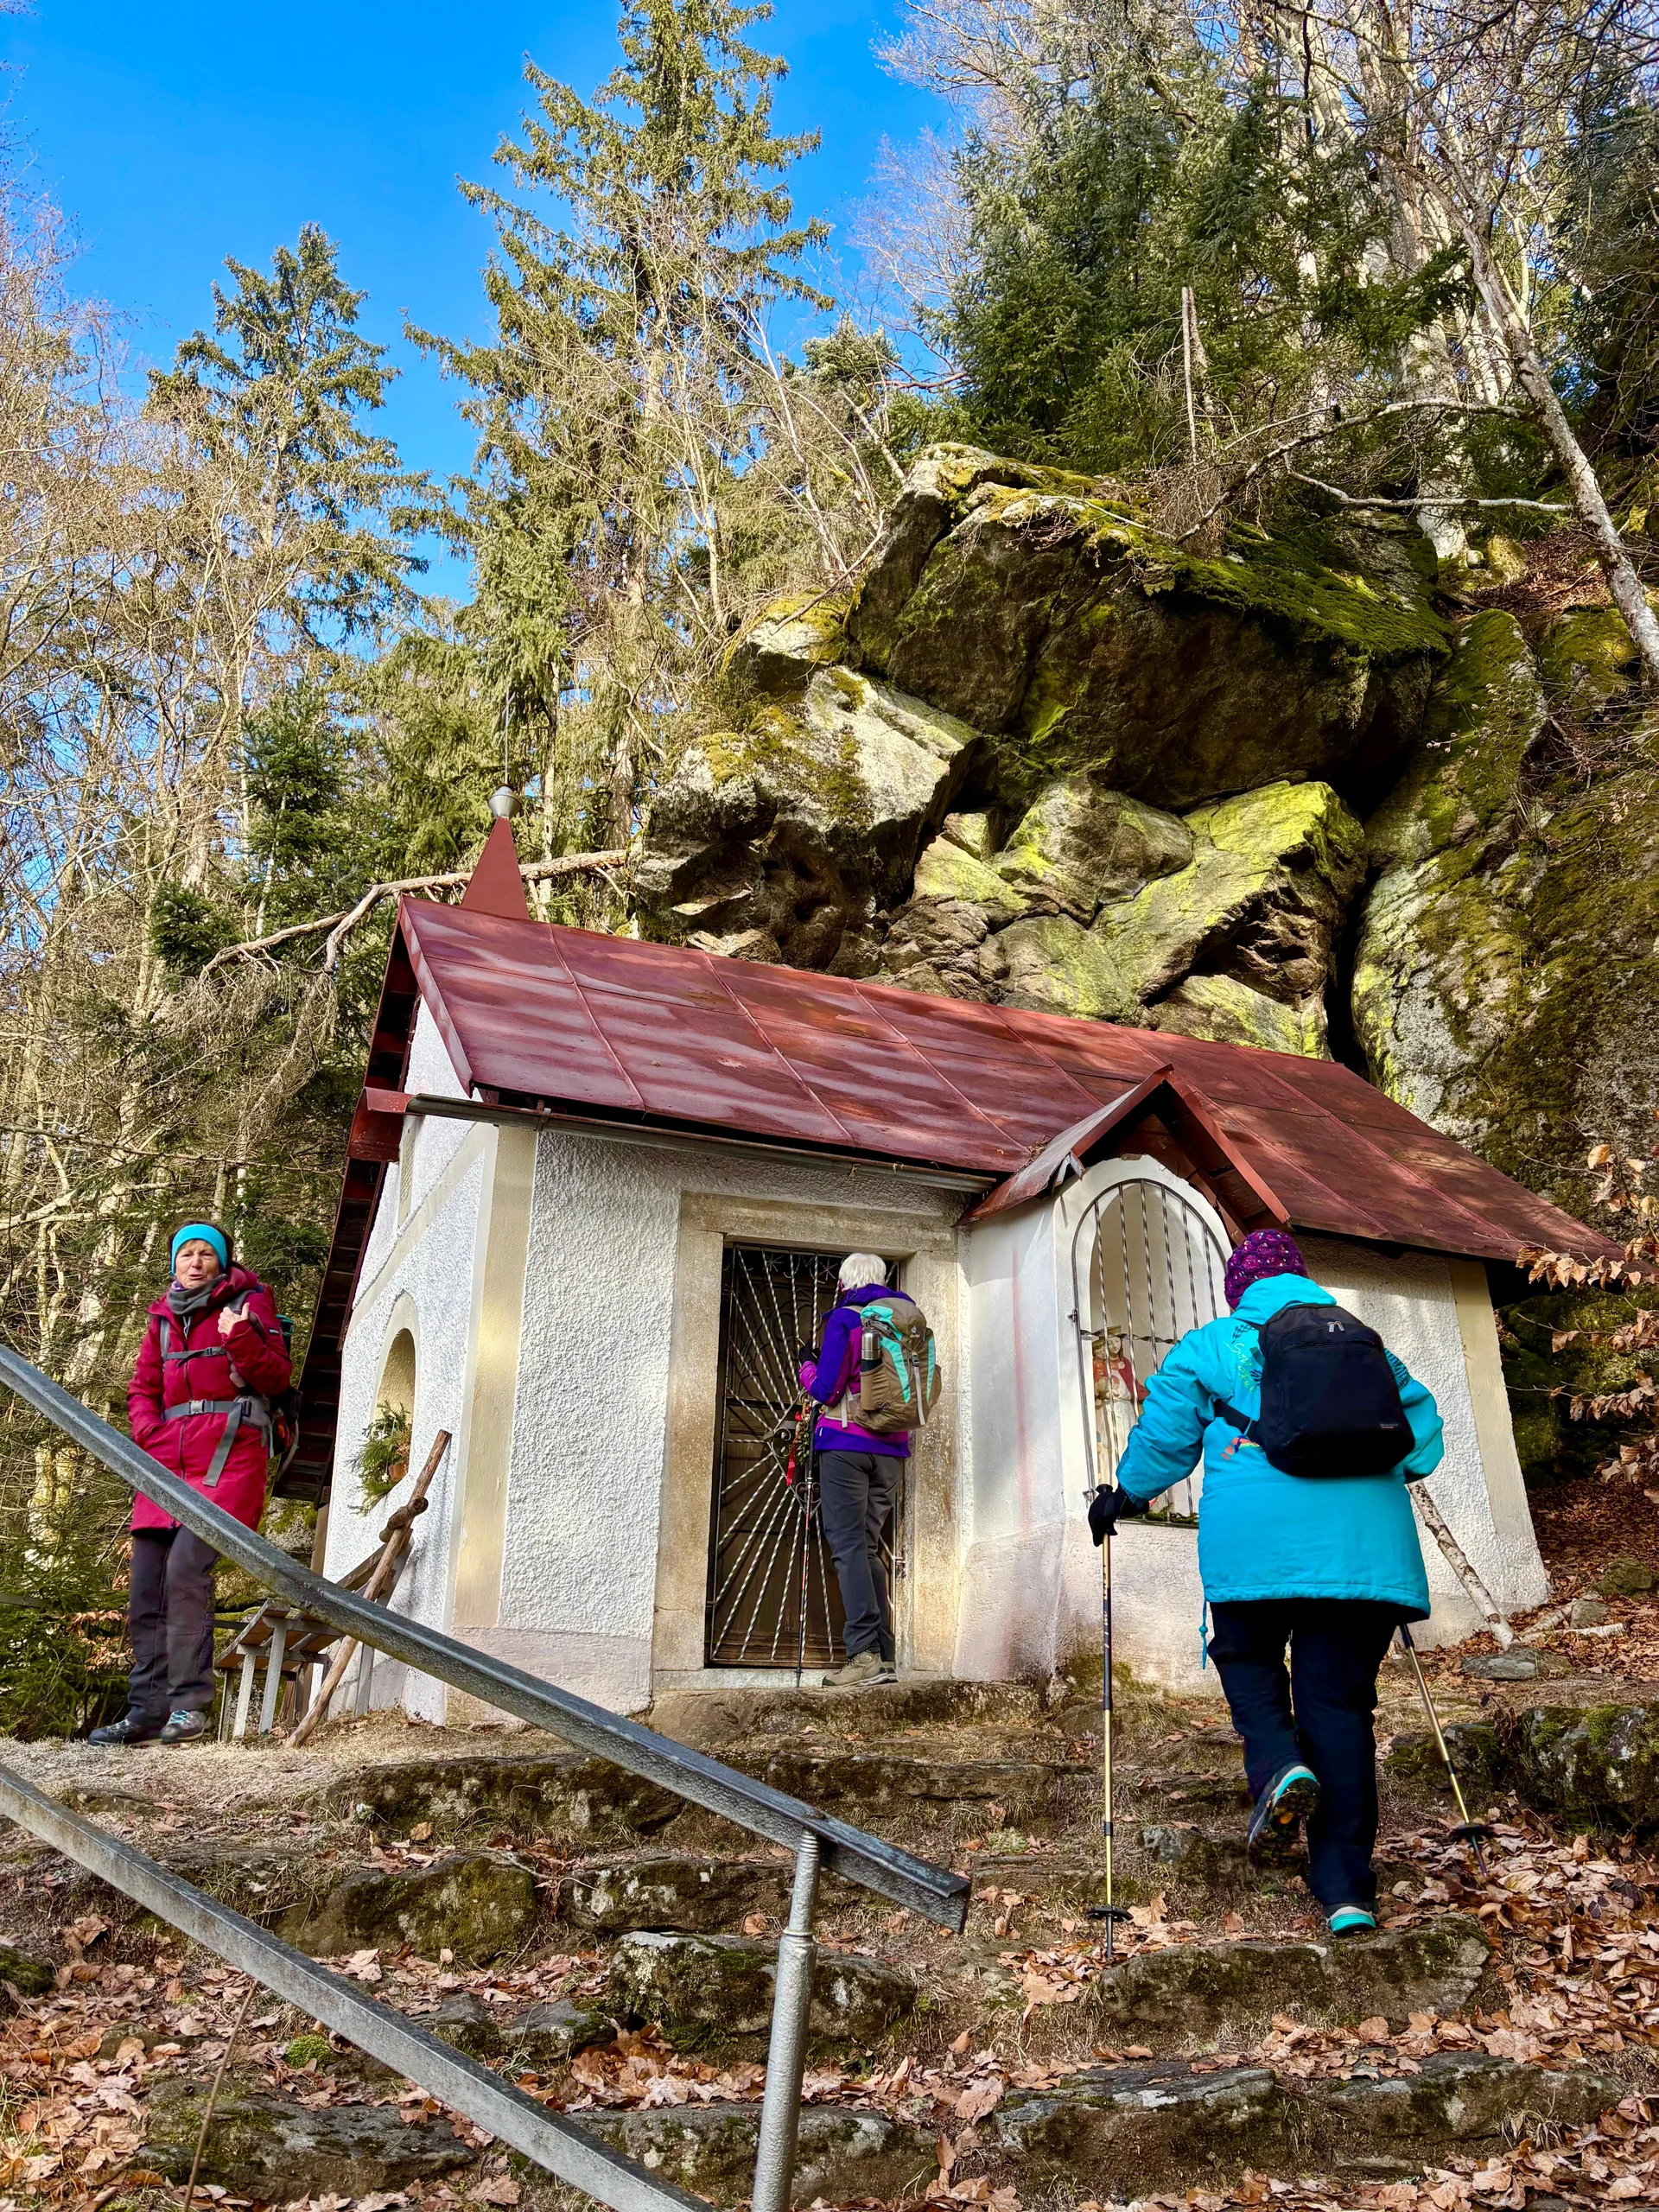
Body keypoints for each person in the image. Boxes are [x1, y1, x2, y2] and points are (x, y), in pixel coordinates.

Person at [1089, 1228, 1443, 1936]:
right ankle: (1346, 1894)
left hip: (1256, 1552)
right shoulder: (1370, 1347)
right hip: (1365, 1557)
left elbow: (1164, 1444)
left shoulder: (1211, 1347)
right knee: (1338, 1709)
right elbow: (1424, 1445)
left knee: (1247, 1659)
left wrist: (1122, 1496)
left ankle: (1280, 1765)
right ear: (1304, 1282)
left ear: (1238, 1289)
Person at [90, 1224, 291, 1746]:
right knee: (145, 1587)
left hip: (228, 1458)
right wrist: (148, 1433)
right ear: (175, 1263)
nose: (196, 1262)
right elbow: (142, 1389)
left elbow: (274, 1377)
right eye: (187, 1254)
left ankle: (187, 1707)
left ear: (221, 1263)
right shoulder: (160, 1320)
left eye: (206, 1254)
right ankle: (145, 1713)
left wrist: (238, 1336)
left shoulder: (248, 1304)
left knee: (185, 1571)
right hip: (164, 1465)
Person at [799, 1253, 908, 1690]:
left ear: (845, 1283)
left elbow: (826, 1388)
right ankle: (883, 1656)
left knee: (847, 1547)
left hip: (846, 1444)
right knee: (866, 1548)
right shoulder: (904, 1318)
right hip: (893, 1449)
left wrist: (805, 1366)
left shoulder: (845, 1318)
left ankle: (862, 1656)